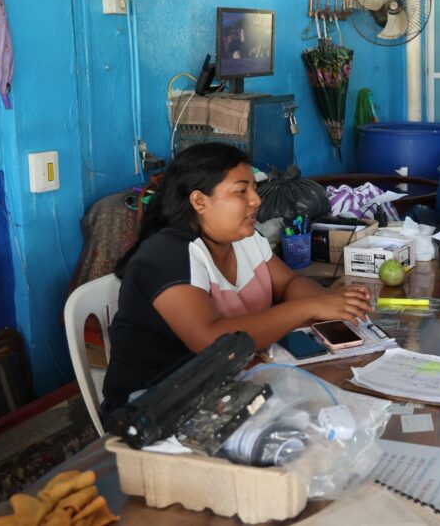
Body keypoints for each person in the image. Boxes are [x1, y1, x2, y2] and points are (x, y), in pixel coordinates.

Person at [101, 143, 372, 415]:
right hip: (157, 409)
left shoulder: (244, 238)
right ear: (199, 201)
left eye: (254, 188)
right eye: (241, 191)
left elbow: (288, 283)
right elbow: (210, 341)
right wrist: (309, 307)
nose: (256, 200)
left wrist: (334, 305)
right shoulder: (168, 254)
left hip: (230, 385)